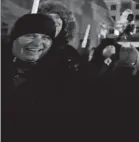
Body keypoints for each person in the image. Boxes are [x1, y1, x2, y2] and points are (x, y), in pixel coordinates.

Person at [2, 14, 80, 142]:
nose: (38, 43)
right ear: (14, 38)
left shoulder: (60, 78)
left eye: (46, 37)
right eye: (30, 35)